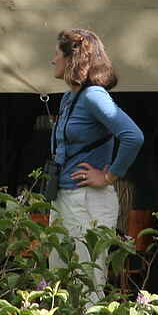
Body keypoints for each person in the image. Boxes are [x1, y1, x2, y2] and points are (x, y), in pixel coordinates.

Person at [48, 28, 144, 299]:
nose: (53, 59)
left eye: (57, 53)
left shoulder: (93, 96)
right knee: (60, 279)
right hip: (65, 197)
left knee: (86, 281)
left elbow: (133, 136)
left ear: (72, 58)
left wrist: (110, 176)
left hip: (87, 200)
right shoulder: (70, 97)